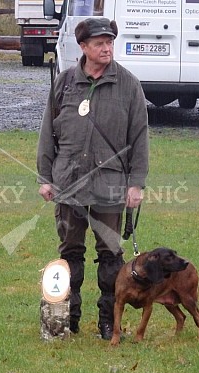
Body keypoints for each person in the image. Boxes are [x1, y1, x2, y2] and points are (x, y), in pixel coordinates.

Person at [37, 18, 149, 340]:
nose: (106, 48)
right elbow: (48, 133)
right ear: (83, 47)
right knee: (71, 253)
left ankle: (107, 322)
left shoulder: (129, 85)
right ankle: (66, 319)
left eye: (110, 42)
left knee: (111, 256)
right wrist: (45, 177)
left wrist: (136, 182)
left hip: (110, 187)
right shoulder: (64, 83)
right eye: (99, 43)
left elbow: (140, 137)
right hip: (68, 185)